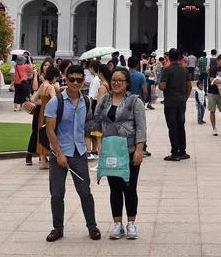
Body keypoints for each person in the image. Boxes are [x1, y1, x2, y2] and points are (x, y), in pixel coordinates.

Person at [43, 64, 99, 242]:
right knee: (57, 193)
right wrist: (59, 154)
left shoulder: (86, 102)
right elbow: (50, 131)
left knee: (85, 192)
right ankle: (57, 228)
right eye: (71, 79)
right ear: (65, 80)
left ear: (84, 81)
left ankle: (92, 225)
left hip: (79, 152)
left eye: (79, 79)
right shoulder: (56, 102)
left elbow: (87, 125)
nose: (75, 82)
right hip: (60, 152)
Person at [89, 67, 146, 241]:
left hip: (128, 150)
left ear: (127, 83)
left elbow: (141, 127)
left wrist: (138, 149)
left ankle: (131, 223)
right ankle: (117, 224)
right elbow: (96, 122)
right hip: (111, 150)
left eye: (120, 80)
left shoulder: (134, 101)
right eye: (114, 79)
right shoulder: (105, 100)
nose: (116, 83)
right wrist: (98, 143)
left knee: (129, 188)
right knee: (114, 189)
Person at [159, 48, 192, 161]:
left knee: (172, 127)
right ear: (179, 57)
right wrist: (185, 98)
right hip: (181, 102)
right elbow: (190, 86)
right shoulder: (184, 70)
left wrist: (160, 84)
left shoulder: (167, 70)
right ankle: (183, 151)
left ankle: (175, 153)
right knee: (181, 126)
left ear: (169, 57)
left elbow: (162, 86)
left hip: (170, 103)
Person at [25, 66, 60, 168]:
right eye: (56, 77)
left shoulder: (42, 85)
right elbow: (54, 101)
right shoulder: (50, 87)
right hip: (49, 113)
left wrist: (43, 102)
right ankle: (48, 159)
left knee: (41, 135)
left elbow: (33, 99)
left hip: (41, 112)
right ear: (54, 76)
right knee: (49, 134)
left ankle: (43, 161)